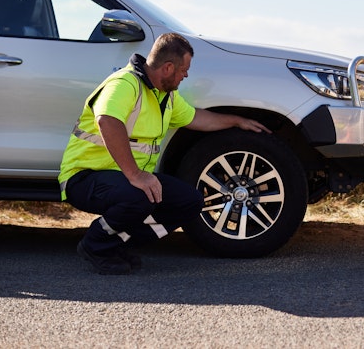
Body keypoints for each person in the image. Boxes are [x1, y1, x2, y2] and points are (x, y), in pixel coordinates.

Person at [58, 32, 271, 274]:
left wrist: (236, 121)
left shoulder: (166, 96)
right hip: (85, 176)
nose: (186, 75)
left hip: (124, 179)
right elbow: (107, 120)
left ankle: (115, 243)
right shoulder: (125, 84)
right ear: (168, 68)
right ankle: (96, 244)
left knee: (189, 201)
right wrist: (136, 174)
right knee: (139, 195)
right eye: (184, 69)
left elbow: (196, 117)